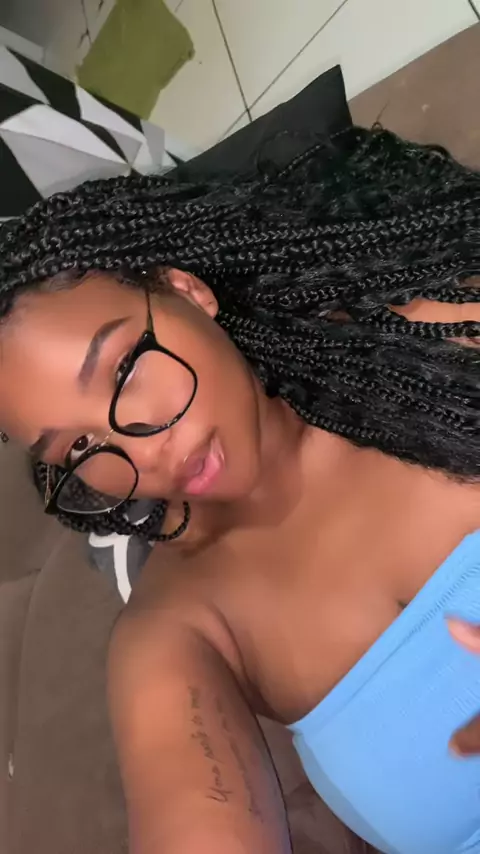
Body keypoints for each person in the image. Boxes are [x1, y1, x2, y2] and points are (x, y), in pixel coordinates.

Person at [0, 125, 479, 854]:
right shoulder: (176, 631)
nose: (143, 448)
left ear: (186, 291)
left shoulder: (443, 339)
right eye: (79, 449)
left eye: (126, 370)